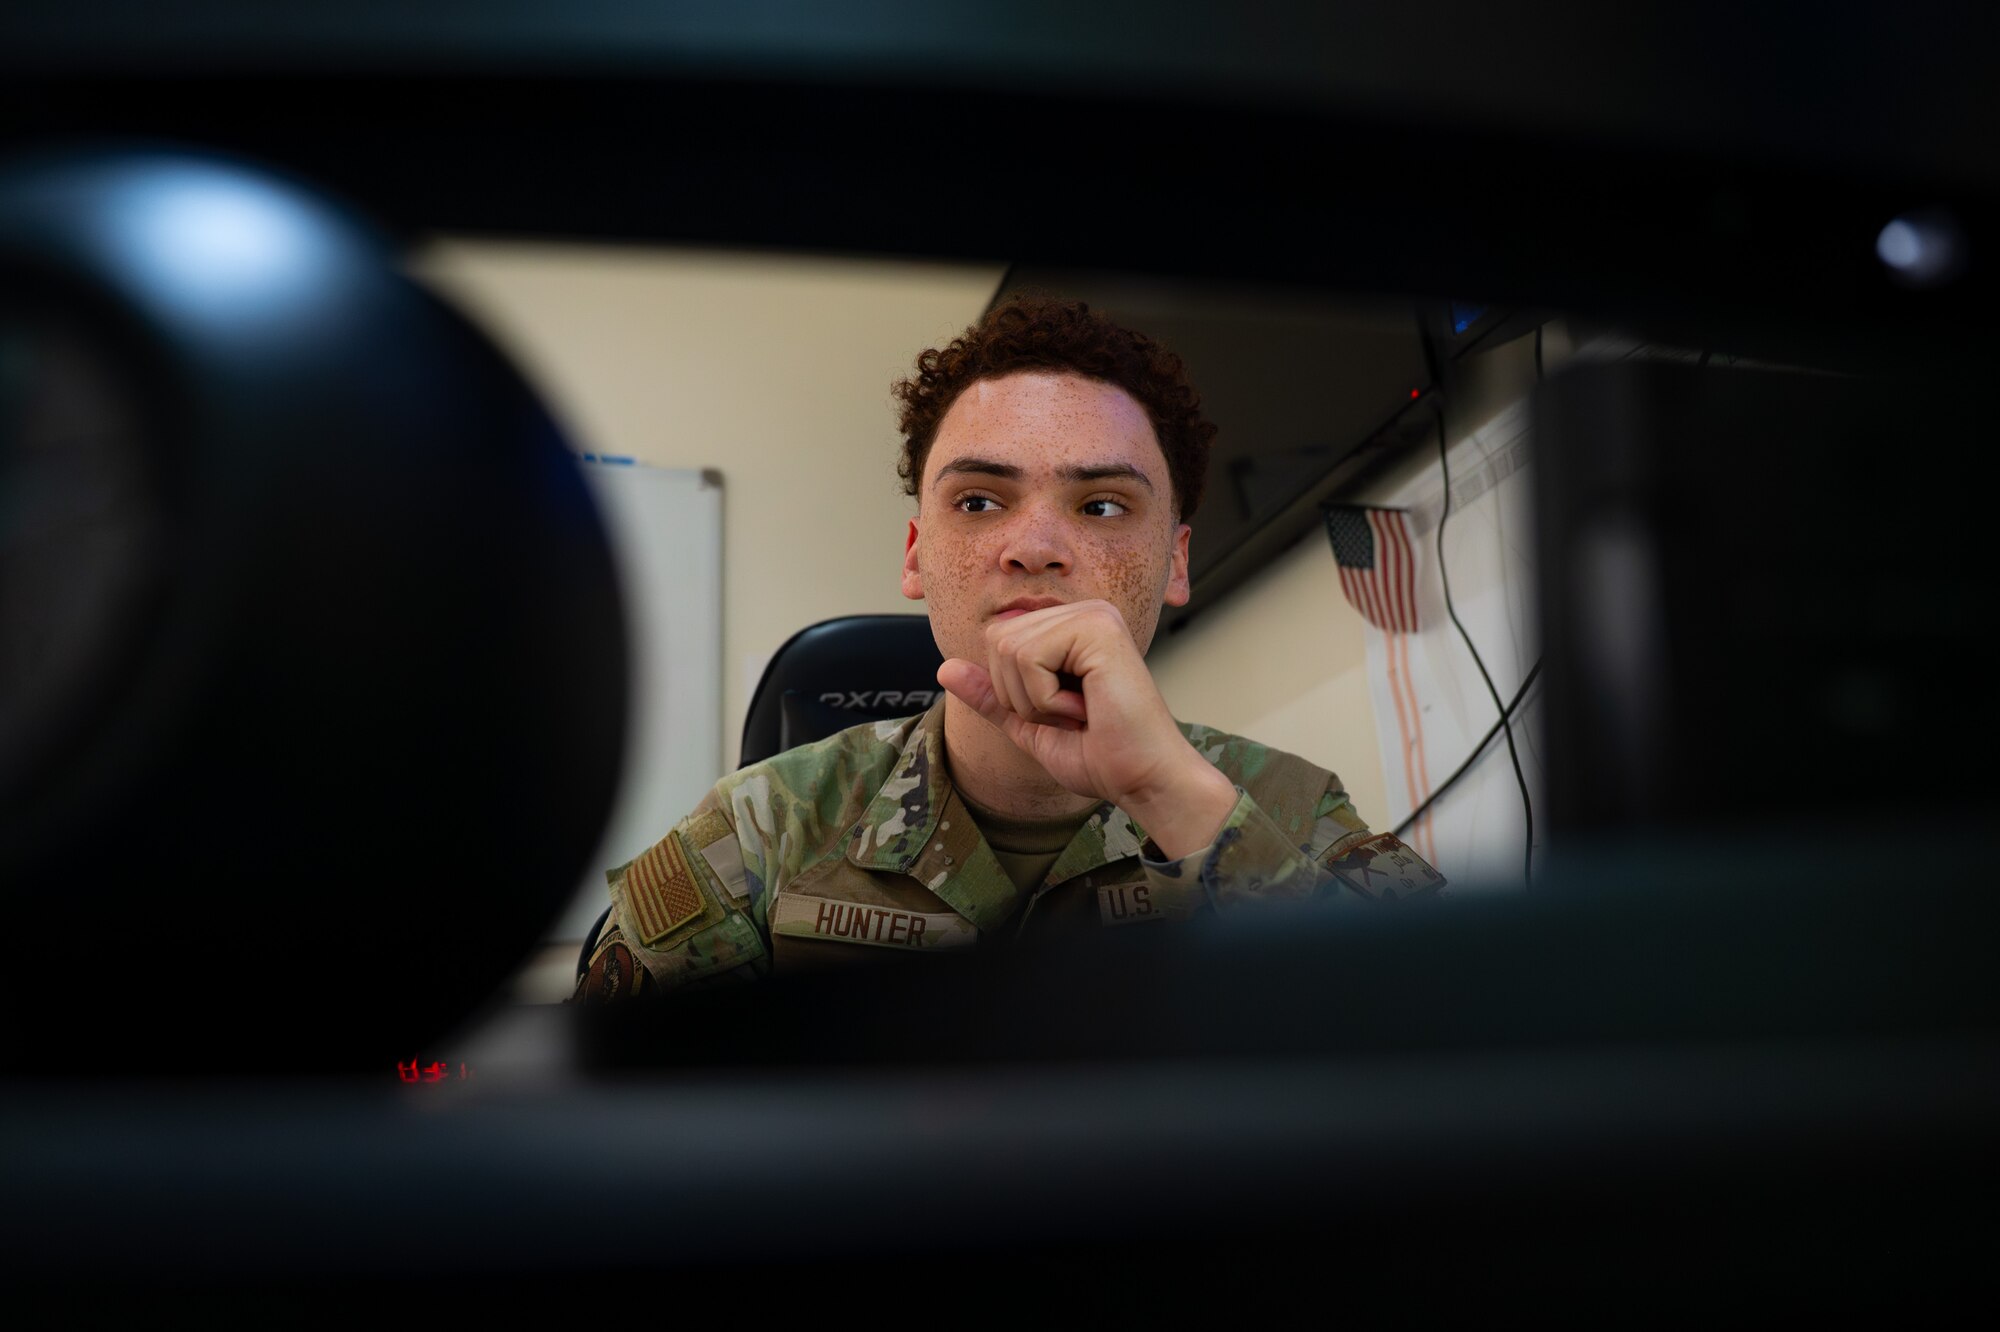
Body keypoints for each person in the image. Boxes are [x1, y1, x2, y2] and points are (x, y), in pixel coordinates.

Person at [574, 297, 1443, 1000]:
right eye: (980, 502)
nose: (1033, 546)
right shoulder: (760, 831)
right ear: (917, 555)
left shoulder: (1286, 813)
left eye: (1102, 506)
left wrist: (1169, 796)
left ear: (1176, 562)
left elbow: (1468, 1057)